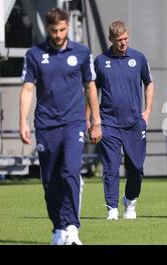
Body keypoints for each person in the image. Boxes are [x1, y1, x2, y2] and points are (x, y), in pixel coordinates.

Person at [19, 8, 102, 245]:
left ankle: (73, 228)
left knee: (70, 171)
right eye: (54, 30)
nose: (58, 34)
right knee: (50, 179)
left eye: (63, 30)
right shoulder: (34, 54)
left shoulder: (82, 52)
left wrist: (95, 121)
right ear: (47, 28)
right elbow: (27, 89)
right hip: (45, 125)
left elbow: (91, 88)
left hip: (73, 123)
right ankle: (58, 228)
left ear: (68, 27)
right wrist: (22, 121)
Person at [93, 20, 154, 220]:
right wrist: (93, 121)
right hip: (108, 123)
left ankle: (130, 200)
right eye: (119, 40)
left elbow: (149, 84)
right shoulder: (101, 61)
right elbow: (92, 92)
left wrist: (147, 112)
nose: (123, 43)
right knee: (110, 167)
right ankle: (112, 208)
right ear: (111, 39)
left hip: (134, 123)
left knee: (136, 167)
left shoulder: (139, 58)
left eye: (126, 39)